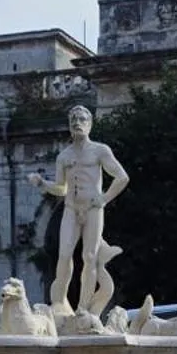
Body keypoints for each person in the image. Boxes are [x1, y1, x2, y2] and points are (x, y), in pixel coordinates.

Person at [27, 106, 129, 315]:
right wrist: (42, 183)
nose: (77, 122)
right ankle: (60, 302)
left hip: (92, 208)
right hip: (71, 209)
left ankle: (84, 308)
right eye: (73, 119)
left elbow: (122, 177)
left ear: (90, 124)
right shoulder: (64, 156)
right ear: (69, 125)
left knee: (89, 257)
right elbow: (61, 188)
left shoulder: (100, 150)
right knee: (64, 255)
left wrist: (104, 198)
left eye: (82, 119)